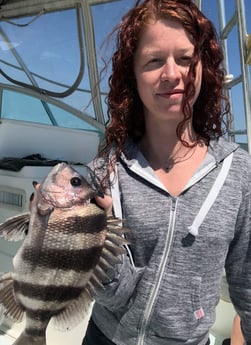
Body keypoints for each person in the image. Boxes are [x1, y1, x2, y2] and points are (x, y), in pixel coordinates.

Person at [82, 0, 251, 344]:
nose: (172, 73)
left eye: (186, 59)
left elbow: (247, 287)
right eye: (154, 60)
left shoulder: (238, 173)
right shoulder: (105, 171)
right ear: (134, 75)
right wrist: (92, 241)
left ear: (205, 67)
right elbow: (111, 294)